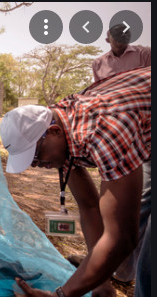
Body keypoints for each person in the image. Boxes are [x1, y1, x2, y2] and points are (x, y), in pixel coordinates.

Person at [0, 66, 150, 297]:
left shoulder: (106, 130)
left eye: (36, 156)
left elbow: (122, 237)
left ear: (53, 131)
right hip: (141, 131)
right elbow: (89, 205)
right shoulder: (64, 123)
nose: (37, 165)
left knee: (149, 264)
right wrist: (99, 283)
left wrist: (62, 294)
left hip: (130, 127)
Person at [90, 23, 152, 285]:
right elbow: (99, 95)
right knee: (118, 206)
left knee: (141, 201)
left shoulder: (145, 54)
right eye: (116, 39)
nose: (121, 43)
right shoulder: (99, 63)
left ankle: (128, 270)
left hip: (145, 133)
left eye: (125, 38)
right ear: (108, 39)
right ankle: (121, 272)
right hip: (117, 137)